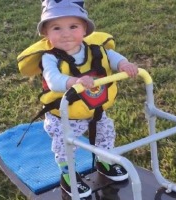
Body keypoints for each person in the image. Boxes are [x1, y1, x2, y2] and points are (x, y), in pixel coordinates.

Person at [25, 0, 138, 198]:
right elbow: (53, 80)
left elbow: (112, 56)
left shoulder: (95, 48)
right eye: (56, 28)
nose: (65, 33)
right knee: (65, 144)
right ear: (46, 34)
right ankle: (69, 176)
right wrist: (73, 81)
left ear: (84, 29)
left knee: (106, 133)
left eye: (73, 26)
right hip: (63, 116)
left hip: (94, 111)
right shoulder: (50, 58)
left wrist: (123, 64)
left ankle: (105, 162)